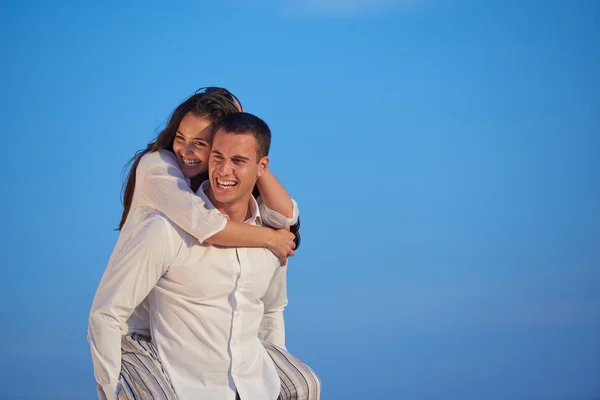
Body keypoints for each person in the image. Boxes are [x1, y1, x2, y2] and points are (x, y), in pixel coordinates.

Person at [89, 112, 320, 400]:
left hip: (251, 384)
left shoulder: (272, 238)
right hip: (182, 385)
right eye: (217, 157)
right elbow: (106, 313)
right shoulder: (167, 230)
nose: (224, 171)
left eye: (238, 161)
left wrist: (275, 370)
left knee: (306, 385)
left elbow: (271, 311)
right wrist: (112, 391)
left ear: (262, 167)